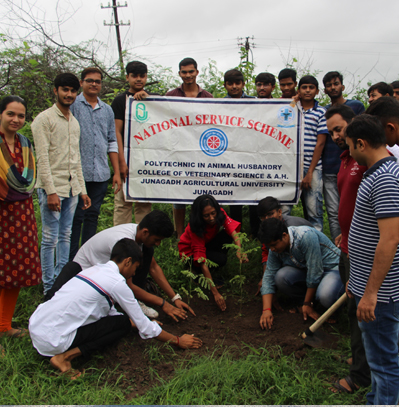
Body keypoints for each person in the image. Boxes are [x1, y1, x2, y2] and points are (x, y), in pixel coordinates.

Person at [29, 238, 202, 379]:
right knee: (123, 324)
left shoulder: (95, 269)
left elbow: (107, 309)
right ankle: (65, 358)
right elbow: (146, 328)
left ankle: (64, 352)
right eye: (135, 268)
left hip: (38, 325)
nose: (134, 274)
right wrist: (178, 341)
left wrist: (134, 322)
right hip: (53, 340)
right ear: (127, 262)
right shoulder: (117, 283)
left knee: (123, 321)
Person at [46, 210, 193, 321]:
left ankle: (133, 301)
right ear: (146, 232)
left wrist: (175, 298)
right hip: (86, 273)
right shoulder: (123, 243)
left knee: (148, 252)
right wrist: (163, 304)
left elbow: (153, 267)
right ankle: (132, 302)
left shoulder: (138, 234)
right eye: (157, 239)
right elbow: (127, 285)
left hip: (105, 271)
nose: (158, 243)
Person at [345, 114, 399, 405]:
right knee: (378, 356)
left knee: (384, 361)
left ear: (362, 143)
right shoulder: (378, 173)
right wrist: (356, 280)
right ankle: (376, 398)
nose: (350, 152)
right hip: (369, 286)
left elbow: (390, 239)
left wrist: (371, 293)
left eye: (351, 145)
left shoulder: (387, 178)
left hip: (381, 294)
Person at [32, 73, 91, 295]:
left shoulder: (73, 122)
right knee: (49, 238)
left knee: (65, 235)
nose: (69, 94)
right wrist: (50, 191)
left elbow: (75, 160)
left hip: (72, 188)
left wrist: (82, 190)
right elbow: (43, 159)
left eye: (72, 91)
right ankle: (48, 288)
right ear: (55, 91)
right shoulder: (44, 119)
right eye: (64, 89)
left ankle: (61, 284)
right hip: (52, 188)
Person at [325, 104, 370, 394]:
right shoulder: (344, 159)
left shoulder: (367, 160)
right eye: (331, 132)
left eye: (339, 129)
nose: (335, 136)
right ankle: (361, 360)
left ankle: (361, 377)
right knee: (354, 309)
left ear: (353, 124)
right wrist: (344, 232)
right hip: (347, 246)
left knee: (363, 311)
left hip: (363, 251)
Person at [69, 67, 121, 260]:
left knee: (92, 216)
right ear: (82, 83)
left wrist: (116, 171)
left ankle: (86, 259)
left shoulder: (107, 110)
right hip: (77, 174)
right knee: (76, 218)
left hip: (100, 173)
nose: (93, 84)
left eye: (97, 81)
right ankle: (71, 260)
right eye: (89, 80)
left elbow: (111, 140)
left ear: (101, 84)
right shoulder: (73, 105)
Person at [0, 96, 42, 338]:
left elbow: (28, 179)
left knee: (14, 267)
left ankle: (4, 326)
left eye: (21, 116)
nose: (16, 120)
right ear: (1, 114)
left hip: (21, 213)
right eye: (10, 114)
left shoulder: (25, 143)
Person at [259, 218, 344, 330]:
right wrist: (266, 310)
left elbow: (315, 272)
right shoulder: (274, 248)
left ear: (284, 236)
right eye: (270, 246)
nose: (272, 249)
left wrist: (307, 303)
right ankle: (308, 302)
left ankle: (319, 306)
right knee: (281, 277)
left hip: (332, 268)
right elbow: (269, 275)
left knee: (325, 295)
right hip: (308, 270)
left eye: (274, 245)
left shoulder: (305, 236)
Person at [165, 58, 213, 239]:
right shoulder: (170, 96)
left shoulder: (208, 97)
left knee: (200, 193)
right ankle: (179, 234)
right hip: (178, 151)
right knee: (179, 193)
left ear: (197, 72)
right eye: (184, 72)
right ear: (179, 74)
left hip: (202, 152)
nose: (188, 75)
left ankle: (197, 233)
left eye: (191, 72)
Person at [178, 194, 248, 311]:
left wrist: (239, 250)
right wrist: (215, 293)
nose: (211, 218)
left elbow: (232, 230)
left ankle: (211, 270)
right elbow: (201, 260)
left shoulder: (219, 213)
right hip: (190, 253)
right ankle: (197, 272)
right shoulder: (195, 228)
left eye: (213, 213)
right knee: (221, 259)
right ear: (199, 215)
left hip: (206, 244)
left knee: (227, 236)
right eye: (206, 215)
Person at [322, 71, 365, 241]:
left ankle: (352, 243)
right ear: (324, 90)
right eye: (329, 85)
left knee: (356, 208)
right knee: (335, 212)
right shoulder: (323, 111)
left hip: (355, 165)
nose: (335, 137)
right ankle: (338, 249)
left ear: (342, 86)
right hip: (332, 166)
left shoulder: (356, 106)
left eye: (335, 83)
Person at [111, 61, 153, 226]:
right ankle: (121, 244)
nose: (138, 79)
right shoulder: (120, 101)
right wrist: (121, 162)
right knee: (122, 204)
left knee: (144, 204)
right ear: (127, 77)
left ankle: (143, 247)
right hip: (126, 160)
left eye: (142, 76)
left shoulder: (153, 99)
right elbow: (116, 133)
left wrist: (147, 100)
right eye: (134, 76)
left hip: (146, 160)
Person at [223, 69, 259, 236]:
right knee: (233, 196)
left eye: (238, 83)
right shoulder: (218, 104)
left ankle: (255, 234)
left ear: (243, 84)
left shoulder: (256, 103)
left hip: (251, 156)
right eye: (230, 83)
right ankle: (236, 235)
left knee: (253, 195)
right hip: (230, 157)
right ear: (225, 85)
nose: (234, 86)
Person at [256, 197, 312, 296]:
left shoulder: (294, 227)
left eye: (270, 214)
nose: (266, 219)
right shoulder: (265, 228)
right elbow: (266, 252)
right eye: (262, 217)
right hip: (293, 263)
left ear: (280, 212)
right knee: (279, 277)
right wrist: (266, 281)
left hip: (311, 263)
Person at [297, 75, 329, 232]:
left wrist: (309, 172)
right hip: (290, 167)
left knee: (314, 210)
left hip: (313, 167)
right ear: (299, 90)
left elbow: (320, 143)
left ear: (317, 91)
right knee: (284, 208)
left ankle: (317, 249)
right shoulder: (291, 109)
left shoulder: (321, 112)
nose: (307, 90)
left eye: (311, 87)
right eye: (304, 87)